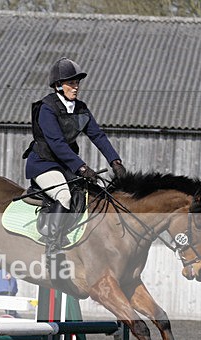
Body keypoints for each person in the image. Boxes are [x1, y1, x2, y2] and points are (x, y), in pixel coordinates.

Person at [23, 57, 127, 259]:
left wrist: (116, 162)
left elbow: (97, 135)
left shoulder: (80, 108)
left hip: (65, 166)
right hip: (44, 164)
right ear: (58, 86)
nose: (76, 87)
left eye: (77, 82)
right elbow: (57, 144)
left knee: (93, 193)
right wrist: (81, 167)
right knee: (64, 195)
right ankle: (52, 247)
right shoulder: (47, 108)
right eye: (71, 83)